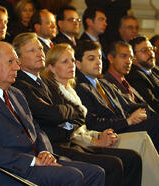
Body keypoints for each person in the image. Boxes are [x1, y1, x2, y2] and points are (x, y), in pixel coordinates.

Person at [0, 41, 105, 186]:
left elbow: (35, 128)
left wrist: (44, 152)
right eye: (11, 62)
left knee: (96, 172)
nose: (17, 67)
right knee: (72, 176)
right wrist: (33, 161)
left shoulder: (15, 93)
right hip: (10, 169)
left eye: (17, 62)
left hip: (37, 159)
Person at [12, 33, 141, 186]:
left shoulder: (46, 82)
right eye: (31, 50)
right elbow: (51, 115)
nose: (39, 53)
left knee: (132, 158)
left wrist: (66, 122)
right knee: (112, 165)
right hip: (53, 146)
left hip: (70, 140)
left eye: (40, 48)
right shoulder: (20, 84)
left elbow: (79, 113)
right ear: (18, 59)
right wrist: (66, 119)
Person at [43, 43, 159, 186]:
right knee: (127, 156)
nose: (71, 65)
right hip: (74, 143)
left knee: (135, 153)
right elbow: (70, 125)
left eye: (72, 60)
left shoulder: (74, 89)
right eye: (65, 61)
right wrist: (96, 139)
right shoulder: (60, 90)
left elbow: (82, 123)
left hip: (92, 135)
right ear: (51, 67)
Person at [74, 39, 159, 152]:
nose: (98, 62)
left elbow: (126, 105)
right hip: (112, 134)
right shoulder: (79, 88)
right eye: (91, 58)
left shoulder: (103, 82)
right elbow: (93, 123)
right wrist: (127, 121)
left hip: (125, 126)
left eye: (99, 57)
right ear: (78, 64)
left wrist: (144, 111)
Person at [126, 36, 159, 112]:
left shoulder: (155, 69)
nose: (151, 53)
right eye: (144, 50)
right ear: (133, 56)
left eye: (151, 49)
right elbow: (152, 104)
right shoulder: (134, 76)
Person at [79, 7, 108, 73]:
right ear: (89, 22)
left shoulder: (104, 41)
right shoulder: (82, 43)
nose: (105, 24)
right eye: (101, 19)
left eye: (105, 20)